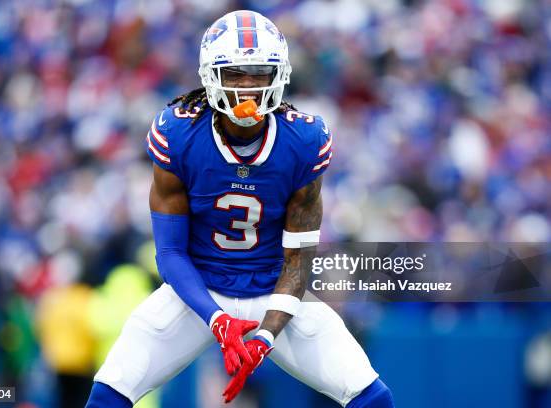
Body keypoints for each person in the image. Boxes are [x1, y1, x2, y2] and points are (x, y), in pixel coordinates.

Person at [86, 10, 394, 407]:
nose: (248, 86)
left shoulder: (303, 139)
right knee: (109, 392)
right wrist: (217, 319)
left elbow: (298, 262)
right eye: (234, 74)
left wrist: (266, 334)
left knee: (371, 396)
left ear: (278, 75)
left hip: (273, 289)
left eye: (258, 73)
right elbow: (171, 253)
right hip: (197, 292)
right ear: (211, 76)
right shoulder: (179, 134)